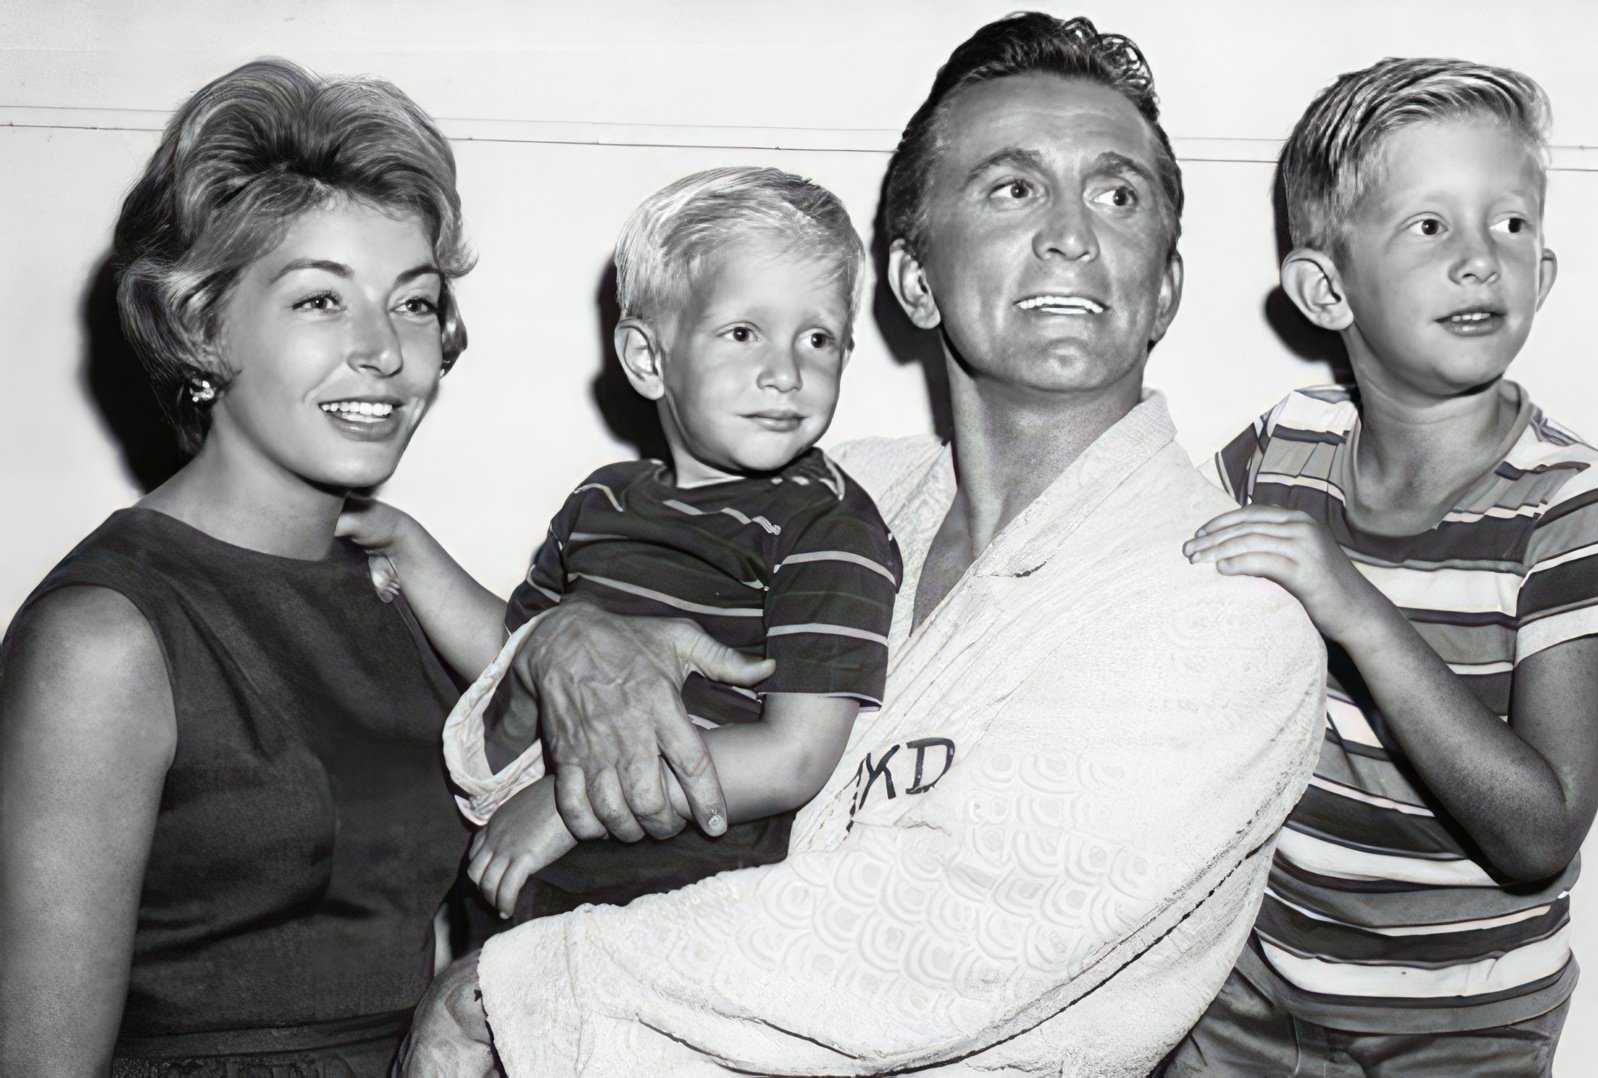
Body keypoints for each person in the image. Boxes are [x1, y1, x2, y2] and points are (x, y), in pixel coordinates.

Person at [398, 13, 1325, 1076]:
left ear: (1163, 285)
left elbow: (932, 936)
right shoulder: (834, 496)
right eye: (1013, 187)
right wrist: (559, 648)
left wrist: (504, 990)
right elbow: (498, 779)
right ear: (914, 280)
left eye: (1118, 195)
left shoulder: (1224, 606)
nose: (1075, 232)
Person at [1165, 58, 1598, 1076]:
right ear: (1326, 288)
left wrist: (1354, 607)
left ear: (1545, 272)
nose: (1482, 261)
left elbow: (1537, 833)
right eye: (1431, 225)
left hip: (1463, 1030)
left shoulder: (1582, 506)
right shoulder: (1285, 446)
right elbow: (1153, 586)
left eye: (1512, 224)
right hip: (1251, 984)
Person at [0, 59, 475, 1076]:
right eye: (319, 302)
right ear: (201, 325)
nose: (384, 352)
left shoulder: (403, 589)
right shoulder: (106, 639)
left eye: (415, 303)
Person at [345, 166, 902, 921]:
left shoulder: (829, 525)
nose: (786, 373)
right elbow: (514, 652)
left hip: (678, 894)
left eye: (818, 338)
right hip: (527, 868)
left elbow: (793, 758)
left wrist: (569, 806)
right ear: (648, 359)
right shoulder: (602, 498)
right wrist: (407, 545)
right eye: (744, 333)